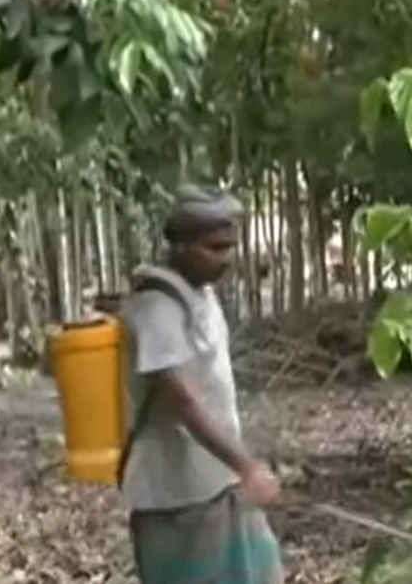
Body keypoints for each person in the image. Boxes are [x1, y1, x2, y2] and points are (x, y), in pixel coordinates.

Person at [120, 184, 284, 584]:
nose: (227, 258)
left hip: (220, 484)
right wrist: (247, 467)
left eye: (231, 247)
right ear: (180, 246)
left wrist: (242, 467)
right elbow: (185, 402)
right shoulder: (157, 309)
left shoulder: (200, 295)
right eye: (215, 248)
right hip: (177, 499)